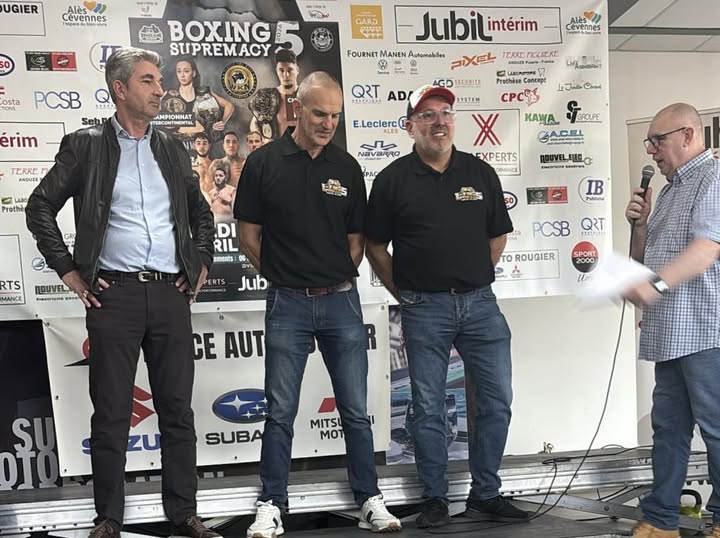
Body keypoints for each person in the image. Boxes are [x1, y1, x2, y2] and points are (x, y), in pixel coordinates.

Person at [25, 47, 217, 538]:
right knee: (112, 414)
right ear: (120, 89)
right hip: (115, 296)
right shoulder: (84, 145)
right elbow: (40, 205)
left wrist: (200, 261)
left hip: (171, 295)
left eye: (159, 81)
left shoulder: (171, 148)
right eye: (148, 81)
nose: (160, 90)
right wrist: (68, 270)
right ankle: (109, 518)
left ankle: (184, 514)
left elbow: (201, 212)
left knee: (178, 412)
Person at [235, 71, 401, 538]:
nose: (329, 123)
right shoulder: (263, 163)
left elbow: (356, 241)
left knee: (355, 410)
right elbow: (248, 236)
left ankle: (369, 499)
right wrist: (286, 276)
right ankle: (271, 504)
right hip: (286, 304)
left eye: (335, 116)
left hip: (341, 303)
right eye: (320, 114)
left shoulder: (346, 167)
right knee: (280, 411)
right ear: (296, 109)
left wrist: (330, 275)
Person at [364, 84, 529, 529]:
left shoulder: (479, 172)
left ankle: (485, 495)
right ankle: (435, 497)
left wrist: (472, 276)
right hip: (425, 308)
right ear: (410, 126)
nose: (439, 122)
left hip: (481, 305)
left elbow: (497, 235)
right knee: (428, 406)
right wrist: (406, 293)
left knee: (497, 400)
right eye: (427, 115)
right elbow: (375, 246)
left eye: (446, 113)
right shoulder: (392, 180)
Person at [623, 103, 720, 538]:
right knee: (668, 430)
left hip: (706, 330)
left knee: (716, 430)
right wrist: (640, 226)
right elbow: (642, 262)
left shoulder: (713, 178)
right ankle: (660, 520)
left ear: (688, 135)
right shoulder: (666, 191)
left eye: (657, 141)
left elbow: (706, 250)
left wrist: (654, 288)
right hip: (671, 333)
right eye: (649, 142)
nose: (651, 150)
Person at [162, 56, 235, 146]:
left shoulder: (204, 93)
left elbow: (229, 106)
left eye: (186, 71)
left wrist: (221, 122)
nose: (182, 75)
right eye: (179, 71)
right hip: (180, 144)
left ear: (193, 73)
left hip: (204, 144)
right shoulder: (169, 95)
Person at [248, 48, 300, 142]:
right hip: (276, 148)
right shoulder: (267, 96)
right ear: (276, 71)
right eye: (281, 70)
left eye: (290, 70)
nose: (286, 75)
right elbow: (254, 123)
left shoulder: (307, 95)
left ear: (297, 70)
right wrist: (264, 141)